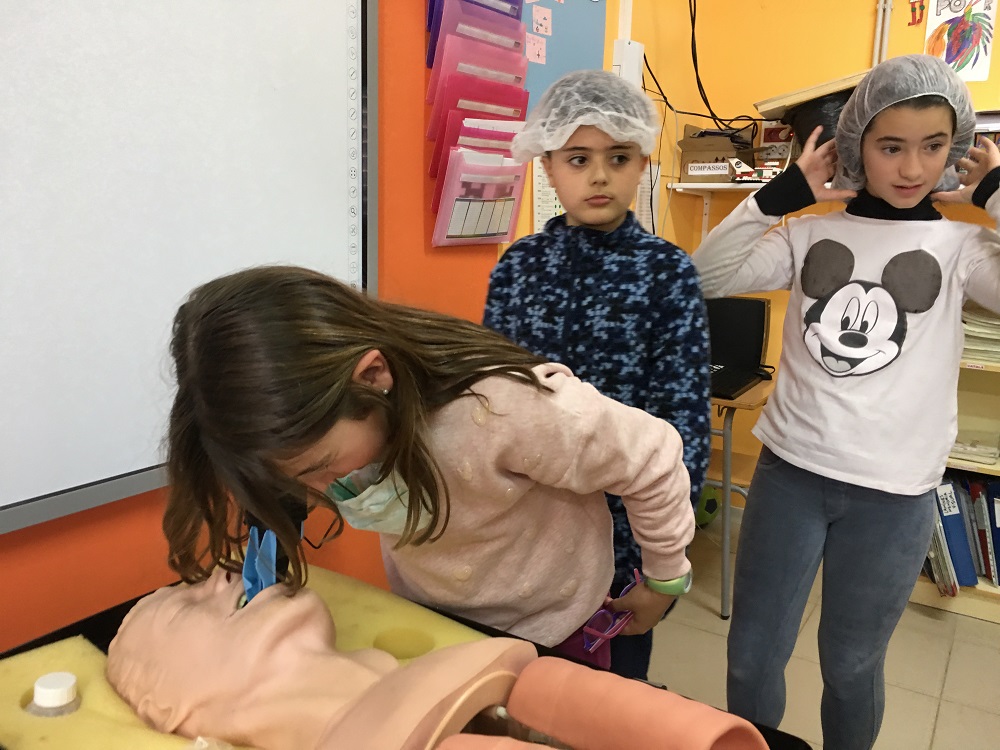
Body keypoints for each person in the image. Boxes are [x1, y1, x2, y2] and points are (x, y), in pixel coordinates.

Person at [163, 265, 696, 671]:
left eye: (322, 468)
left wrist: (663, 582)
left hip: (557, 631)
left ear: (373, 377)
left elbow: (654, 458)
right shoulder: (309, 435)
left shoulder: (503, 410)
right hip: (442, 625)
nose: (317, 490)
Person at [690, 53, 1000, 750]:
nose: (913, 168)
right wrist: (781, 195)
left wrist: (996, 195)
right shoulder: (808, 232)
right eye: (891, 147)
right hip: (790, 475)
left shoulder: (961, 246)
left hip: (894, 494)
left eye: (933, 146)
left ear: (957, 147)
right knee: (752, 658)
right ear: (856, 143)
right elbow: (707, 276)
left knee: (852, 668)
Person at [483, 69, 711, 680]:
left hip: (622, 549)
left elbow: (683, 428)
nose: (600, 175)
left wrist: (662, 570)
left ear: (643, 164)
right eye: (579, 158)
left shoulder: (667, 274)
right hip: (521, 541)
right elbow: (488, 404)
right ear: (548, 165)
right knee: (517, 692)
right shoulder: (518, 269)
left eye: (619, 157)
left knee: (608, 701)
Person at [105, 570, 769, 750]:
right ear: (168, 707)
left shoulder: (371, 663)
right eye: (189, 604)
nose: (223, 577)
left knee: (543, 683)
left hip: (479, 680)